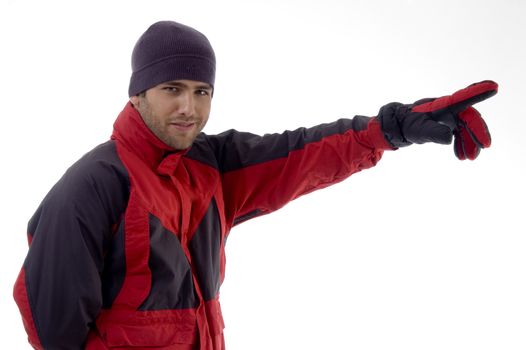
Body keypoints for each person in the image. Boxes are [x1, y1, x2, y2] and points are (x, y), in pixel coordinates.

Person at [13, 20, 498, 350]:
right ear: (138, 94)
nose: (189, 107)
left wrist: (390, 130)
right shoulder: (94, 184)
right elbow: (53, 328)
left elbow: (301, 154)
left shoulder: (211, 166)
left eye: (202, 91)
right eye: (172, 90)